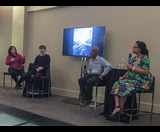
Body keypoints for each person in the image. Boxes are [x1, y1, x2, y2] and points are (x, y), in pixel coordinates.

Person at [109, 41, 153, 117]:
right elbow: (129, 70)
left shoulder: (145, 58)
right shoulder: (133, 58)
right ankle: (117, 107)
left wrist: (132, 68)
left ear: (139, 49)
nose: (133, 48)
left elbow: (146, 71)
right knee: (117, 83)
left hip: (142, 82)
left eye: (134, 47)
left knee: (124, 86)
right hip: (131, 80)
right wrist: (123, 77)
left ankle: (121, 109)